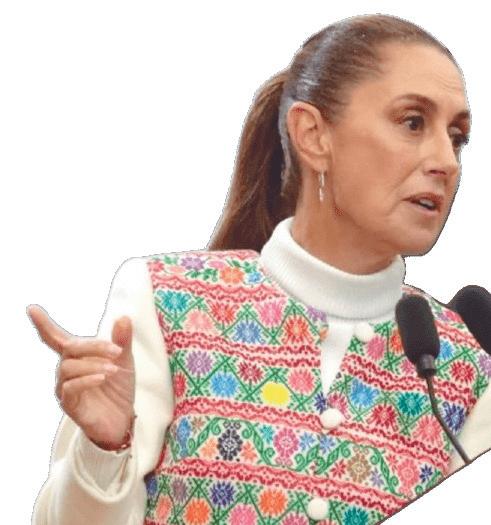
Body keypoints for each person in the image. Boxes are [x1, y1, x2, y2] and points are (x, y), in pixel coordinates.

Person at [29, 13, 491, 525]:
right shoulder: (167, 302)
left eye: (457, 136)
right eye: (412, 122)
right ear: (313, 135)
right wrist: (103, 448)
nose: (447, 160)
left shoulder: (468, 371)